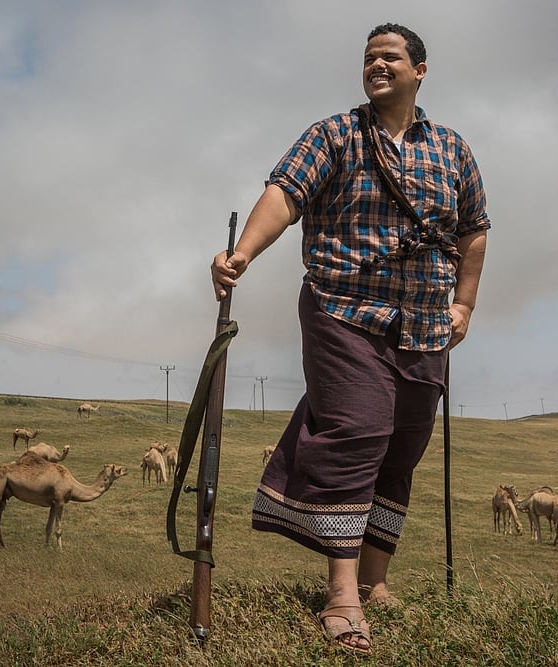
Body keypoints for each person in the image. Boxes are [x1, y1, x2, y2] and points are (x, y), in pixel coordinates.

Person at [211, 22, 490, 654]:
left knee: (403, 445)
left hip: (424, 323)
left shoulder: (451, 148)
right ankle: (340, 596)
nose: (377, 65)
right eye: (369, 58)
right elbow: (286, 194)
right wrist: (243, 254)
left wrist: (465, 304)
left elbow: (474, 229)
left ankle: (374, 581)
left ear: (421, 70)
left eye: (390, 57)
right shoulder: (334, 134)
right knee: (358, 430)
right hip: (344, 310)